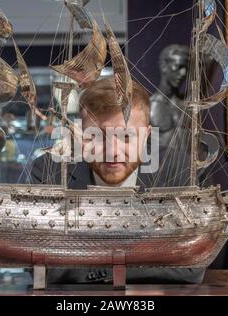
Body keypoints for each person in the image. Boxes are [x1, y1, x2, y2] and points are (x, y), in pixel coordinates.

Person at [30, 76, 204, 284]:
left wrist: (97, 270)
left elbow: (192, 266)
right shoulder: (49, 171)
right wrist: (144, 265)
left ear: (147, 135)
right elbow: (41, 266)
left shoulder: (181, 170)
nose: (112, 152)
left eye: (126, 137)